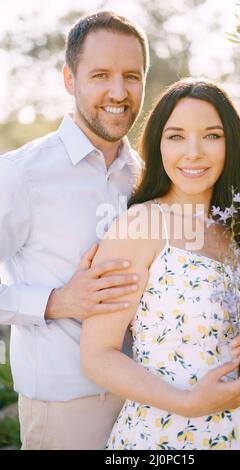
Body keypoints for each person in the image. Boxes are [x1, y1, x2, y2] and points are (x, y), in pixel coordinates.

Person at [80, 78, 240, 450]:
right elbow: (97, 355)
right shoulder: (141, 225)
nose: (193, 152)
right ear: (157, 145)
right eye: (176, 136)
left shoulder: (239, 226)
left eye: (211, 136)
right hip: (175, 436)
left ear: (232, 144)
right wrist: (189, 403)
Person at [0, 11, 149, 450]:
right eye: (101, 75)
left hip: (146, 403)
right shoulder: (20, 174)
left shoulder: (146, 177)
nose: (118, 92)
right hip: (65, 412)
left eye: (132, 76)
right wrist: (56, 302)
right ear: (70, 78)